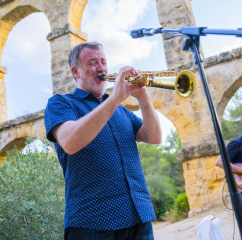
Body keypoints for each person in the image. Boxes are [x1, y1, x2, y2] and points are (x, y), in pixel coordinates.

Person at [44, 42, 161, 240]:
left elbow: (154, 137)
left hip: (138, 215)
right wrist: (115, 98)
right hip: (92, 222)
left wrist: (143, 98)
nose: (101, 68)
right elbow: (70, 143)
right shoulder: (61, 103)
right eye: (92, 62)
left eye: (103, 62)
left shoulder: (121, 110)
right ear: (76, 71)